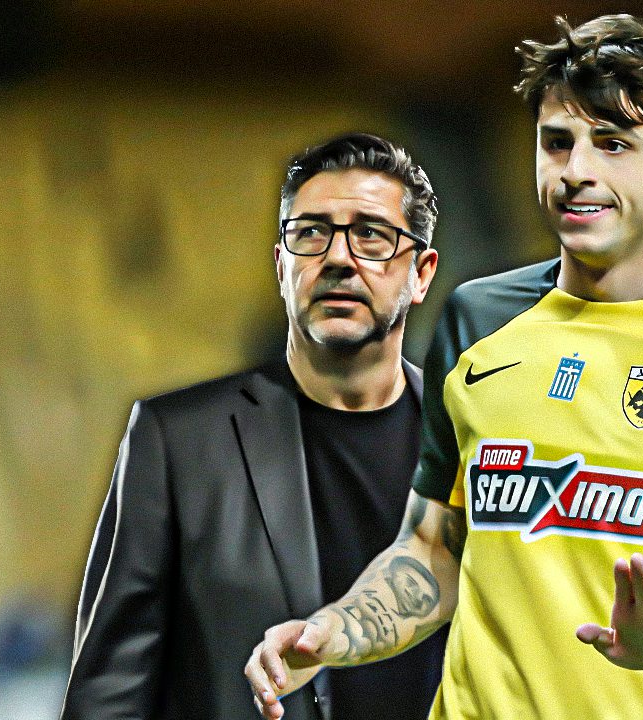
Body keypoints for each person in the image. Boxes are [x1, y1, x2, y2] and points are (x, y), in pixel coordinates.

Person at [246, 14, 643, 720]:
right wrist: (337, 632)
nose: (577, 172)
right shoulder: (476, 320)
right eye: (557, 142)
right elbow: (434, 549)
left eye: (614, 144)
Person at [60, 133, 445, 720]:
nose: (338, 258)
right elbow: (108, 695)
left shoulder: (474, 439)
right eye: (311, 233)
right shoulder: (177, 442)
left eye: (371, 234)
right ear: (282, 266)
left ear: (421, 273)